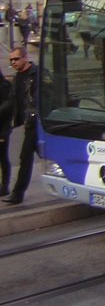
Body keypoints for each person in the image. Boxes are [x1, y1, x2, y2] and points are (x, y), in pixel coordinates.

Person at [3, 47, 39, 205]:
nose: (13, 62)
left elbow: (42, 98)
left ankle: (18, 193)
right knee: (27, 157)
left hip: (38, 123)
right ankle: (18, 194)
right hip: (29, 124)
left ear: (25, 58)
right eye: (11, 60)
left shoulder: (37, 74)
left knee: (26, 157)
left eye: (16, 59)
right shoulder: (17, 77)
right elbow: (12, 102)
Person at [0, 69, 14, 197]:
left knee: (3, 157)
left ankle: (4, 186)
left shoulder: (5, 87)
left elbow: (8, 110)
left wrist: (4, 132)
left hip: (2, 129)